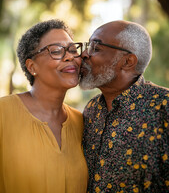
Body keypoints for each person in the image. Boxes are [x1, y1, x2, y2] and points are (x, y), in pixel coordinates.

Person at [79, 20, 169, 193]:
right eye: (87, 46)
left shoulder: (164, 107)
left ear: (128, 61)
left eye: (95, 48)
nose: (84, 54)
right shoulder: (91, 110)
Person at [0, 19, 88, 193]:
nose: (70, 56)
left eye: (72, 49)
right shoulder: (3, 113)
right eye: (56, 51)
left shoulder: (82, 122)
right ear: (32, 67)